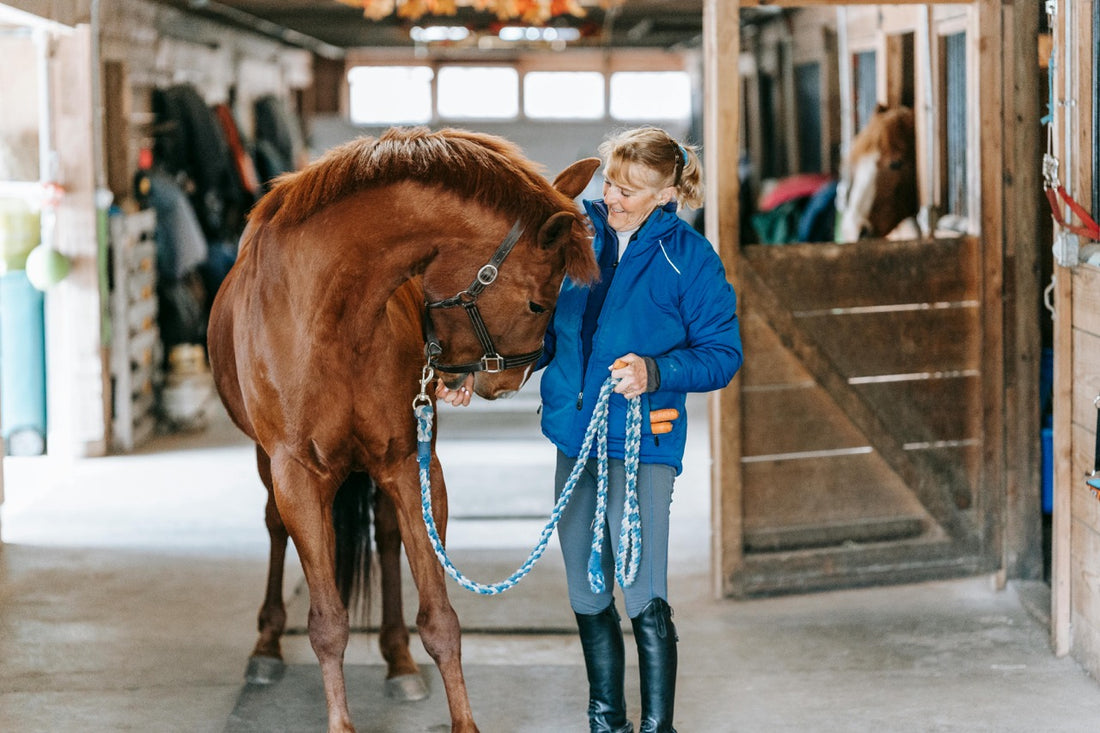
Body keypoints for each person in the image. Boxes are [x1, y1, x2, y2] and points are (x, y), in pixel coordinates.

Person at [439, 127, 742, 733]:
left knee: (641, 592)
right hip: (574, 439)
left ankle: (658, 728)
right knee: (585, 589)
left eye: (629, 189)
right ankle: (607, 720)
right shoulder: (578, 240)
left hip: (641, 445)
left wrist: (657, 369)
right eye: (610, 182)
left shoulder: (690, 260)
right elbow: (546, 331)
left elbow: (723, 354)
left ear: (664, 195)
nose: (612, 196)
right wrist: (479, 371)